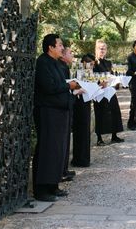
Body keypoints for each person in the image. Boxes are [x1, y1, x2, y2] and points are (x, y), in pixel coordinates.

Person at [33, 34, 79, 202]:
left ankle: (53, 185)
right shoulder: (43, 62)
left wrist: (71, 87)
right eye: (60, 45)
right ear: (50, 47)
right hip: (47, 111)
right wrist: (68, 85)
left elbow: (62, 85)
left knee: (58, 150)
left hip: (60, 111)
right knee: (47, 149)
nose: (62, 48)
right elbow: (49, 86)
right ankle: (41, 190)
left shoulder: (58, 64)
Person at [93, 40, 124, 145]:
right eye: (100, 48)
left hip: (110, 91)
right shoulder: (93, 62)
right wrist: (99, 83)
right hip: (99, 92)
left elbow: (112, 75)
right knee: (100, 113)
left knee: (115, 111)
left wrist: (116, 82)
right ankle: (99, 138)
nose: (102, 50)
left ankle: (114, 135)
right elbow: (90, 77)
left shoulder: (108, 63)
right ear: (96, 49)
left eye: (104, 48)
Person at [71, 53, 94, 168]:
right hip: (78, 104)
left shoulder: (89, 73)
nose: (91, 66)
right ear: (84, 63)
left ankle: (85, 158)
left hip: (86, 102)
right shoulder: (77, 72)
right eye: (90, 64)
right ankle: (78, 158)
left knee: (85, 131)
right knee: (80, 130)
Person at [59, 46, 77, 182]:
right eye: (70, 53)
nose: (72, 56)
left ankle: (63, 169)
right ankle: (61, 171)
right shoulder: (60, 66)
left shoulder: (64, 66)